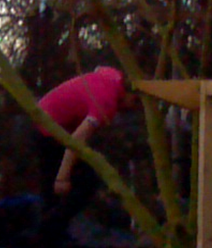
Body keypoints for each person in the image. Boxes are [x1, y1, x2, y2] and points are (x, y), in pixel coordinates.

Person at [33, 66, 137, 245]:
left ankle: (52, 236)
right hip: (50, 131)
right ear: (131, 94)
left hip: (43, 115)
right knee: (86, 182)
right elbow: (76, 140)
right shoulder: (107, 103)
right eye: (136, 102)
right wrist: (62, 176)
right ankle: (44, 235)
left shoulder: (114, 76)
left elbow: (99, 69)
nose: (135, 108)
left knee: (52, 196)